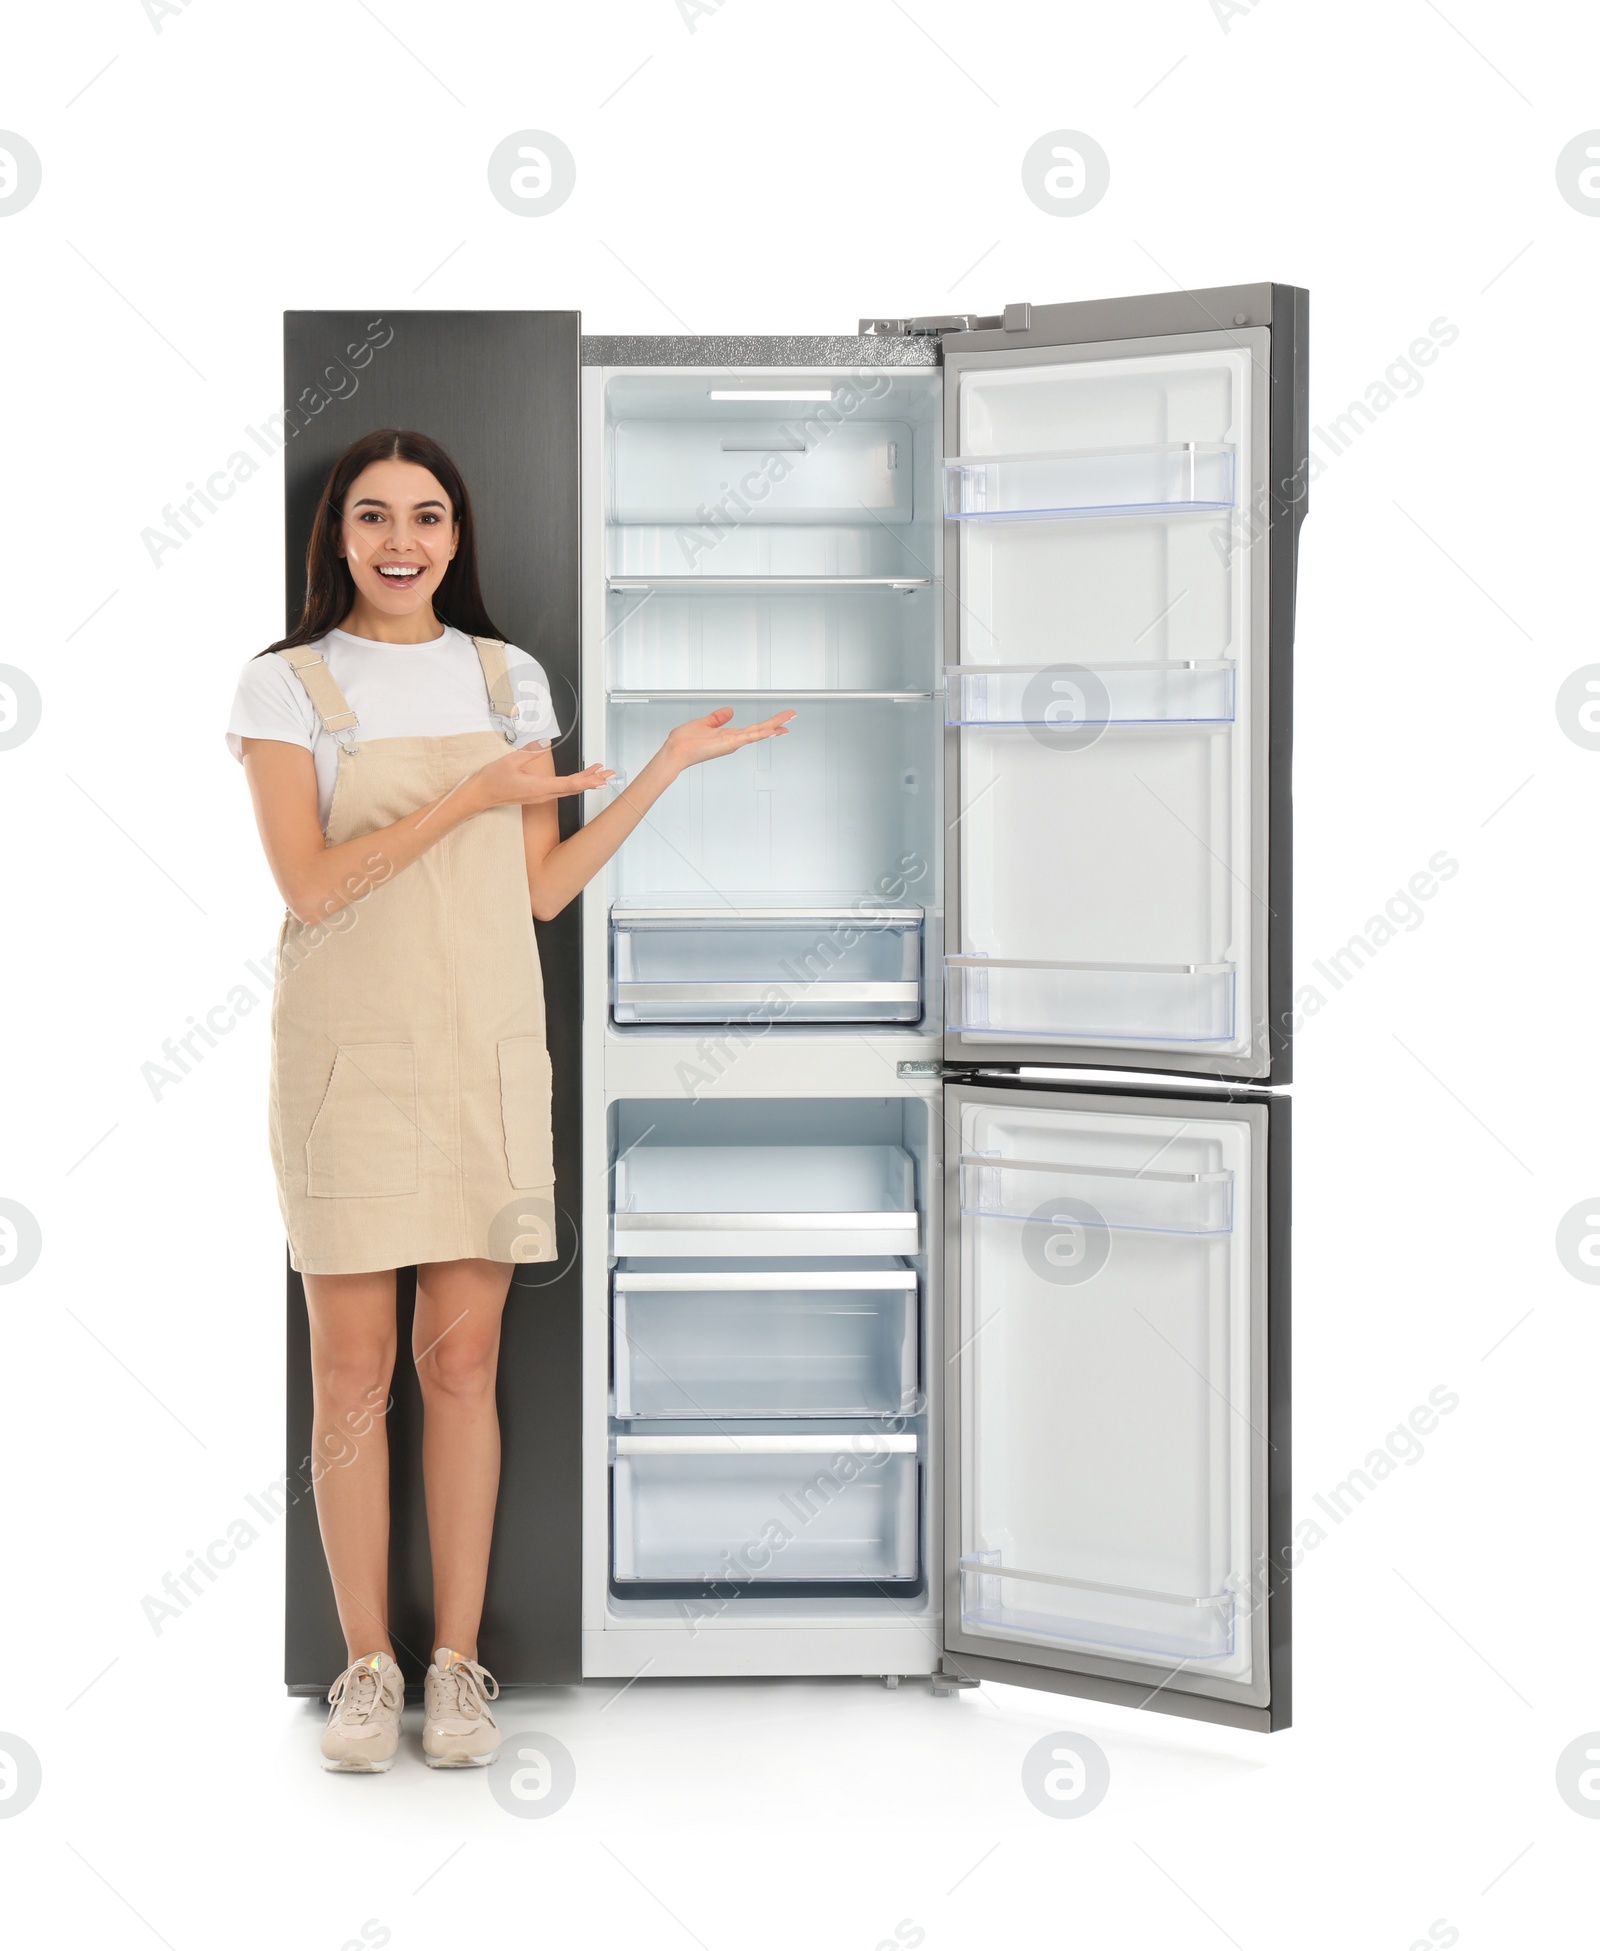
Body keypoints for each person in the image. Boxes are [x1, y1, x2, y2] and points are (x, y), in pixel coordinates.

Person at [228, 427, 791, 1770]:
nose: (402, 541)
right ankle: (367, 1669)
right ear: (338, 540)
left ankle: (455, 1669)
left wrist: (658, 771)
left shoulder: (506, 677)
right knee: (352, 1376)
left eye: (428, 514)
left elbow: (538, 889)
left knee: (462, 1363)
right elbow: (309, 888)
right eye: (373, 518)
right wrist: (471, 792)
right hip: (349, 1059)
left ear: (457, 534)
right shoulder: (285, 686)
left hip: (482, 1045)